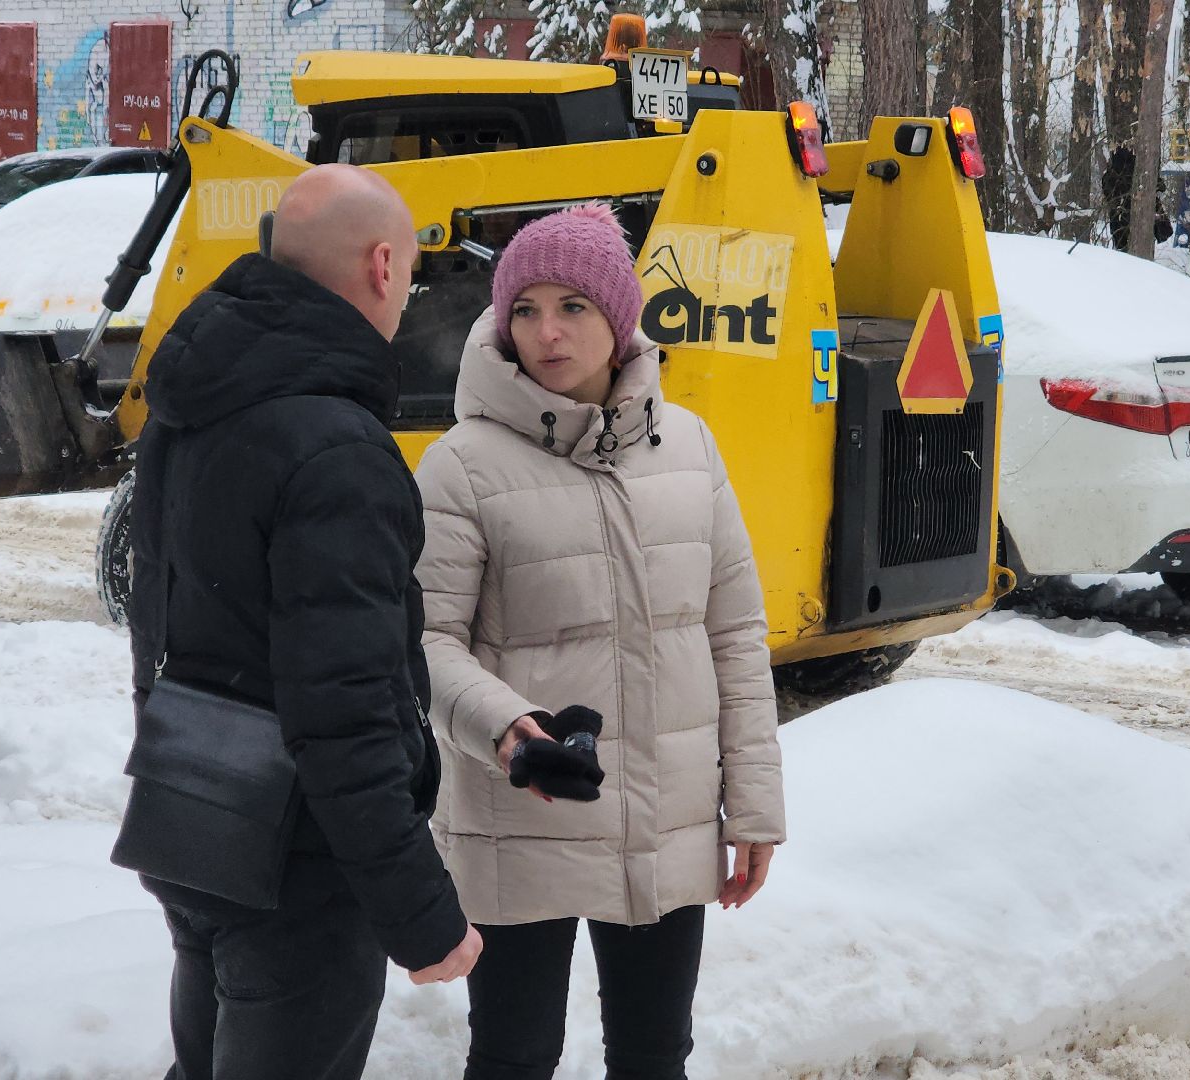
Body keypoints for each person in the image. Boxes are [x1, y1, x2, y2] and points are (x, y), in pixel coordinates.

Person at [124, 164, 480, 1080]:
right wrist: (419, 911)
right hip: (298, 862)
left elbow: (157, 623)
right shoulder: (337, 450)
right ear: (382, 263)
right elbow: (349, 708)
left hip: (198, 815)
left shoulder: (194, 404)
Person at [414, 204, 786, 1080]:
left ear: (620, 320)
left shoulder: (690, 447)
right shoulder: (461, 466)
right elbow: (424, 643)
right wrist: (509, 728)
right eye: (526, 309)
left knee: (655, 1058)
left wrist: (756, 804)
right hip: (523, 812)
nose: (547, 331)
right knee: (515, 1056)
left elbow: (734, 634)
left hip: (667, 817)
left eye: (574, 306)